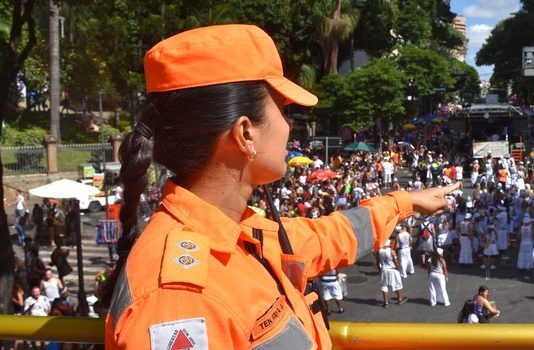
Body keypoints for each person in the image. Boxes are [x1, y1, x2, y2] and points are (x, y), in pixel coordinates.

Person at [100, 25, 457, 349]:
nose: (290, 126)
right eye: (283, 110)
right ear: (245, 133)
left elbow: (329, 236)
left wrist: (405, 202)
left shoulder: (245, 233)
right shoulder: (179, 295)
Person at [378, 239, 408, 308]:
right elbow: (396, 261)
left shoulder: (379, 251)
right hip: (392, 269)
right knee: (397, 284)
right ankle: (400, 299)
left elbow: (378, 261)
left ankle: (386, 302)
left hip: (384, 269)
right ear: (389, 244)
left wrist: (379, 270)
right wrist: (398, 268)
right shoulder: (392, 252)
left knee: (384, 285)